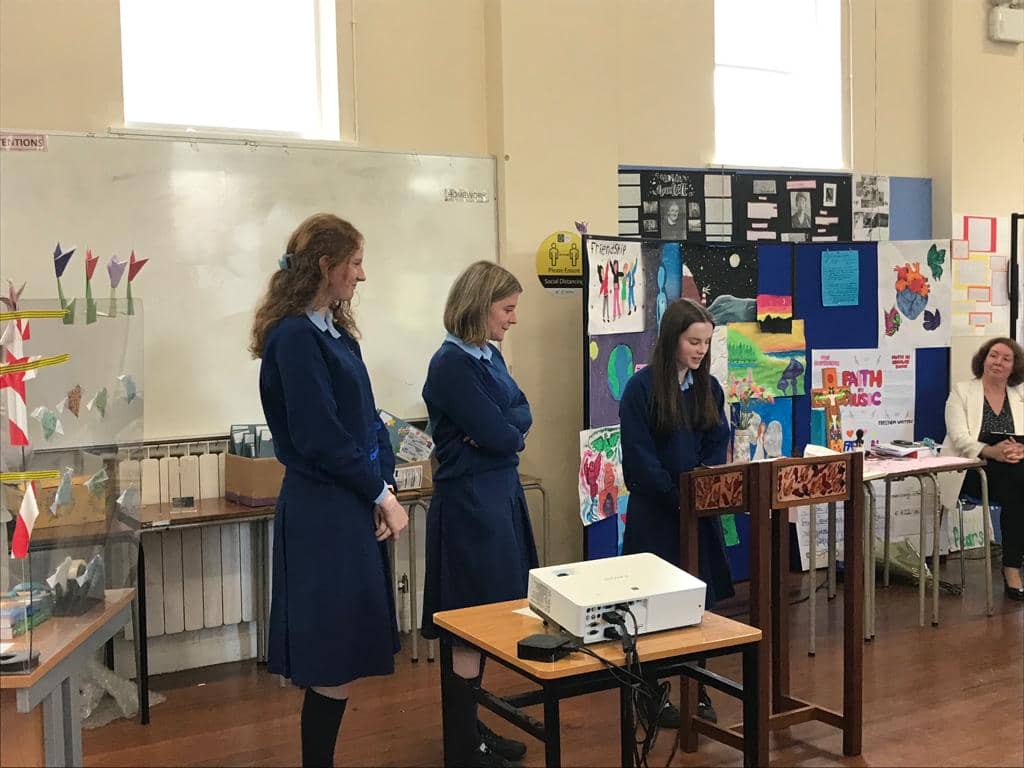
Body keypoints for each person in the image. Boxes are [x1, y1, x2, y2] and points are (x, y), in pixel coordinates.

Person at [250, 213, 409, 767]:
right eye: (355, 263)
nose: (361, 275)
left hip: (350, 503)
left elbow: (367, 422)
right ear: (326, 265)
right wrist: (380, 496)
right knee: (331, 657)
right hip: (322, 511)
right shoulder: (294, 337)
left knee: (342, 656)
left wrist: (383, 485)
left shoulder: (336, 334)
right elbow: (320, 436)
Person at [420, 261, 538, 767]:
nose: (513, 319)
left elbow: (521, 414)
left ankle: (471, 730)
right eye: (507, 309)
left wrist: (502, 429)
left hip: (498, 495)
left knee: (491, 617)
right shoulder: (451, 364)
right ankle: (463, 744)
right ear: (479, 306)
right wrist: (502, 431)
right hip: (470, 505)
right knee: (469, 620)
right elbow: (501, 434)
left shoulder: (489, 355)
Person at [619, 298, 735, 725]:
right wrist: (677, 495)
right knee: (653, 608)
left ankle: (696, 686)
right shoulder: (642, 389)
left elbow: (716, 441)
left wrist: (701, 489)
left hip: (695, 514)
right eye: (693, 342)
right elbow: (640, 458)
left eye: (706, 343)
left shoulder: (709, 388)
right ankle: (650, 693)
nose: (701, 350)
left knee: (697, 606)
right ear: (672, 339)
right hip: (657, 515)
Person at [939, 337, 1024, 601]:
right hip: (972, 470)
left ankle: (1013, 563)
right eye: (993, 355)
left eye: (1006, 358)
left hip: (1013, 469)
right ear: (983, 359)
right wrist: (992, 451)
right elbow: (959, 438)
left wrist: (1020, 450)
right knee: (1018, 485)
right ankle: (1012, 569)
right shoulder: (962, 391)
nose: (998, 362)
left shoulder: (1020, 395)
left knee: (1017, 482)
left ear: (1014, 367)